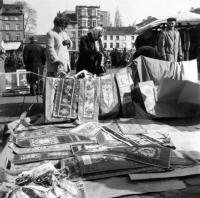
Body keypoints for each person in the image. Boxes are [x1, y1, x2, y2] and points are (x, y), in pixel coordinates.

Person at [46, 12, 72, 77]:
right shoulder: (50, 33)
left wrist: (69, 42)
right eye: (63, 26)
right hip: (56, 66)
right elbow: (50, 49)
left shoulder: (64, 34)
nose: (64, 28)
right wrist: (57, 61)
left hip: (66, 65)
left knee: (66, 86)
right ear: (57, 24)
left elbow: (70, 44)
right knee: (55, 86)